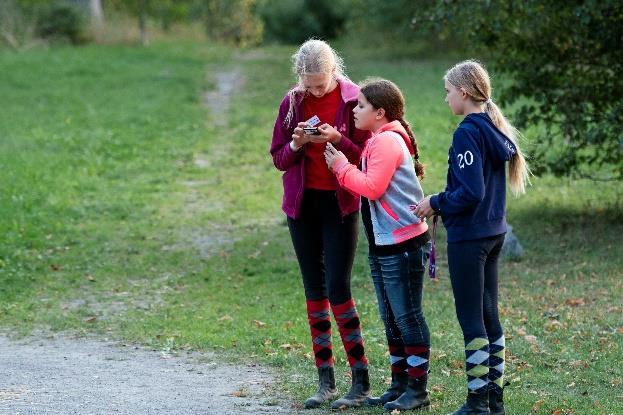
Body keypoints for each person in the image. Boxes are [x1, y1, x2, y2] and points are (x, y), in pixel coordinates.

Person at [414, 60, 530, 415]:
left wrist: (435, 202)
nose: (446, 98)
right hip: (494, 233)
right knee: (489, 314)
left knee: (472, 318)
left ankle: (478, 401)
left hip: (471, 237)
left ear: (464, 93)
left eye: (448, 92)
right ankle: (495, 400)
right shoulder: (493, 129)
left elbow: (471, 192)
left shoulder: (468, 131)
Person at [269, 39, 371, 409]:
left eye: (320, 83)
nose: (314, 90)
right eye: (308, 83)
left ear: (335, 71)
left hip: (341, 202)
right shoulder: (292, 103)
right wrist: (296, 145)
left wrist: (337, 138)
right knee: (314, 289)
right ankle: (325, 380)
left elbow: (368, 155)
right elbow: (278, 158)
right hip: (302, 204)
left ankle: (360, 379)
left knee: (338, 287)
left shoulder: (354, 98)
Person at [324, 78, 432, 412]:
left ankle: (417, 390)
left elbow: (371, 188)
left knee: (407, 316)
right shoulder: (378, 139)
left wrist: (341, 167)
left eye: (361, 106)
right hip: (385, 243)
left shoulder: (386, 142)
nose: (354, 111)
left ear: (380, 112)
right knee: (391, 317)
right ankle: (399, 385)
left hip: (403, 244)